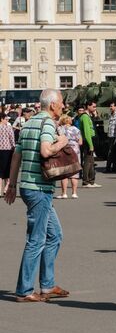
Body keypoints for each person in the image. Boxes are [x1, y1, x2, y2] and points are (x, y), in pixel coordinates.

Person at [4, 89, 70, 302]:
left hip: (30, 186)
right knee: (37, 239)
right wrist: (63, 141)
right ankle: (24, 290)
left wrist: (12, 184)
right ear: (52, 105)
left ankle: (48, 285)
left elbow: (17, 155)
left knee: (55, 235)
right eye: (60, 103)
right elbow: (45, 151)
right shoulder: (48, 124)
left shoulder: (29, 122)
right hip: (39, 188)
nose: (63, 107)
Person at [56, 115, 82, 199]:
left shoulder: (60, 129)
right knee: (74, 172)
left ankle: (64, 193)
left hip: (64, 149)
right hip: (75, 151)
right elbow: (80, 142)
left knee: (64, 172)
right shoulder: (76, 129)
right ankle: (74, 193)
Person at [80, 101, 101, 188]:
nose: (95, 108)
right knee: (88, 162)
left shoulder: (89, 116)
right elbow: (87, 132)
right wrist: (90, 145)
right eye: (93, 106)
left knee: (92, 162)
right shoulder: (85, 117)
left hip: (91, 140)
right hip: (88, 141)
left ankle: (91, 181)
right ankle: (86, 181)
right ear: (88, 106)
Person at [0, 113, 16, 196]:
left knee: (0, 171)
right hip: (7, 150)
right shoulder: (8, 128)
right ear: (2, 119)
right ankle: (6, 188)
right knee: (7, 169)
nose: (7, 121)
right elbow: (12, 140)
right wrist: (14, 148)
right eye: (6, 119)